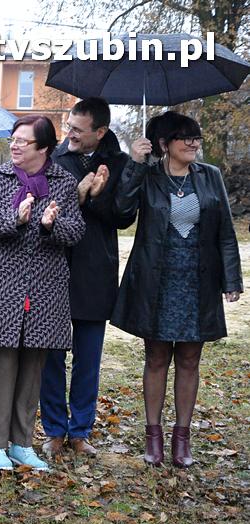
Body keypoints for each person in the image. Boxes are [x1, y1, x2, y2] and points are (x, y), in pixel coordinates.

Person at [112, 111, 243, 468]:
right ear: (164, 144)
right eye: (185, 137)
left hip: (197, 282)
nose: (193, 143)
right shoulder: (149, 176)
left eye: (196, 137)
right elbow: (121, 211)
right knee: (156, 358)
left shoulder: (210, 177)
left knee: (189, 358)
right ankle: (152, 436)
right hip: (156, 281)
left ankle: (181, 438)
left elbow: (225, 233)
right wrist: (135, 166)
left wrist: (231, 280)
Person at [0, 115, 85, 472]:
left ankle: (21, 443)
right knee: (1, 368)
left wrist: (51, 225)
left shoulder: (63, 182)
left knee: (33, 369)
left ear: (43, 148)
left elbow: (76, 230)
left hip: (44, 288)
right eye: (13, 140)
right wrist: (15, 219)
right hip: (1, 285)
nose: (15, 146)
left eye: (23, 141)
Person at [40, 98, 134, 458]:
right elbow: (46, 213)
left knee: (88, 360)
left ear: (100, 132)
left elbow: (122, 216)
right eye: (68, 126)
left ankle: (80, 431)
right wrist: (77, 196)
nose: (70, 135)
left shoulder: (120, 164)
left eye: (78, 130)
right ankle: (54, 430)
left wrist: (94, 198)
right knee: (50, 358)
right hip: (54, 272)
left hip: (96, 273)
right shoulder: (53, 161)